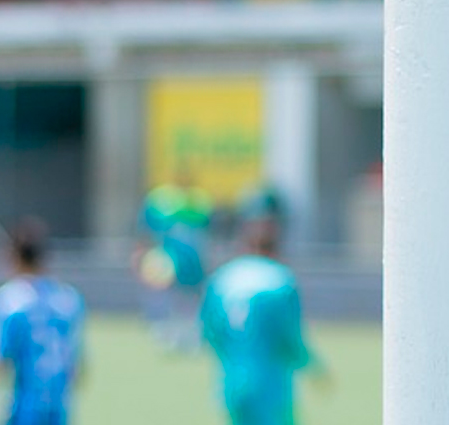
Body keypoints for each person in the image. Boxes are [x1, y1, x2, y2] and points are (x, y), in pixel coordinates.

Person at [201, 194, 326, 425]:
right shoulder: (280, 280)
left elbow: (209, 332)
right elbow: (290, 337)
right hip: (270, 384)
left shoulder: (222, 278)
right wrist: (313, 367)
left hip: (233, 381)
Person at [0, 218, 85, 425]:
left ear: (14, 256)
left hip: (22, 411)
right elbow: (76, 368)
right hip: (57, 412)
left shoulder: (11, 300)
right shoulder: (68, 299)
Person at [135, 168, 215, 350]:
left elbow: (206, 231)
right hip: (166, 260)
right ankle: (164, 332)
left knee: (191, 298)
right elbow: (146, 229)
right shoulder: (160, 199)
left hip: (192, 261)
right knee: (163, 296)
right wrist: (141, 252)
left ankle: (190, 335)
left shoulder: (199, 200)